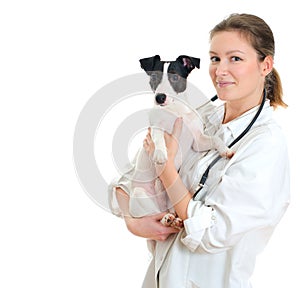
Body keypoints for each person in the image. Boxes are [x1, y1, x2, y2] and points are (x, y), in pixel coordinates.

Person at [109, 13, 290, 288]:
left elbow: (210, 234)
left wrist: (167, 170)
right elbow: (125, 183)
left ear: (265, 65)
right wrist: (133, 221)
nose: (220, 70)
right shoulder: (196, 116)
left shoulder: (266, 144)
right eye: (215, 58)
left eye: (235, 58)